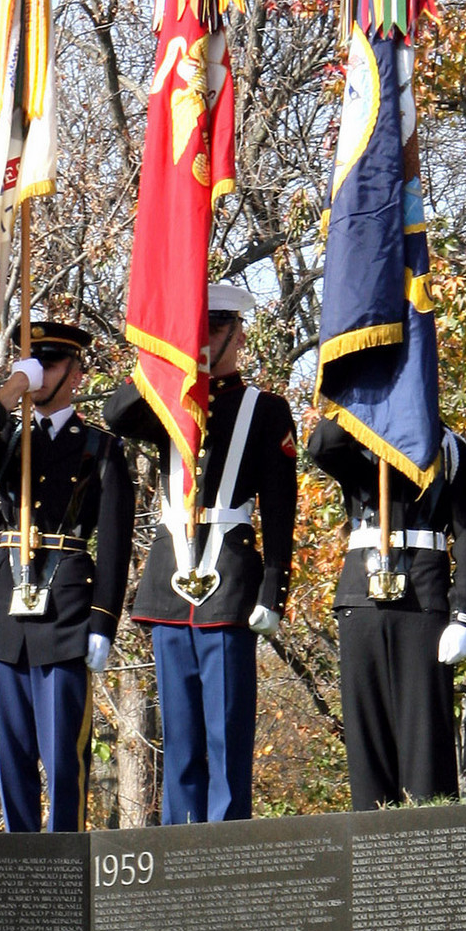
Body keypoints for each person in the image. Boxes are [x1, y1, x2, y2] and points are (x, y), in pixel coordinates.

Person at [104, 285, 298, 823]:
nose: (209, 339)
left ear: (238, 335)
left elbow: (281, 509)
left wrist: (274, 590)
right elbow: (117, 413)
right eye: (200, 329)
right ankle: (174, 849)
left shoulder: (267, 409)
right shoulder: (167, 398)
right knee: (181, 738)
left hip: (230, 582)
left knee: (227, 735)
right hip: (171, 582)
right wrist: (166, 353)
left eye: (216, 329)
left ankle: (226, 847)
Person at [0, 314, 135, 833]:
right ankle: (20, 864)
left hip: (64, 609)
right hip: (3, 606)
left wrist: (102, 622)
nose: (37, 370)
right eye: (29, 360)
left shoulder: (99, 447)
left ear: (76, 374)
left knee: (63, 757)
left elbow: (116, 541)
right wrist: (13, 386)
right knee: (8, 758)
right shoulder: (8, 438)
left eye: (50, 363)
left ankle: (63, 861)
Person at [304, 415, 466, 811]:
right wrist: (358, 398)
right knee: (367, 749)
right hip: (361, 599)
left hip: (422, 601)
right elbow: (321, 445)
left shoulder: (451, 449)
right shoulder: (358, 437)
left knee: (426, 748)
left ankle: (429, 859)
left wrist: (463, 614)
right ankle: (374, 860)